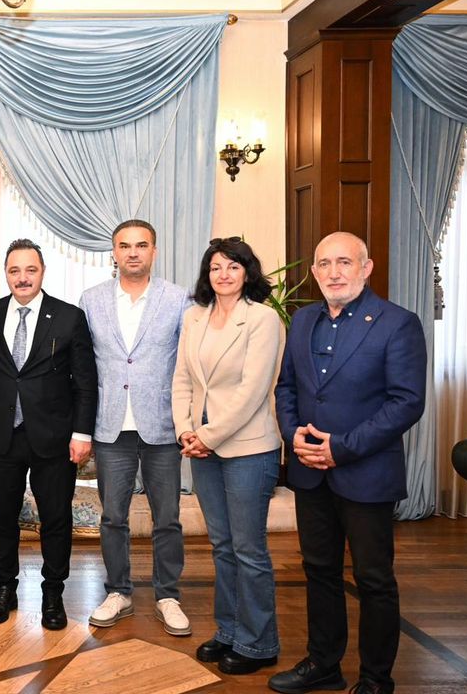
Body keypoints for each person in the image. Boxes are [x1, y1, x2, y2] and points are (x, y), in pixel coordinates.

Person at [267, 232, 426, 694]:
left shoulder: (398, 323)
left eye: (344, 262)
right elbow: (287, 387)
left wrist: (342, 448)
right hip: (309, 472)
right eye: (324, 264)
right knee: (319, 572)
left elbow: (406, 402)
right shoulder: (302, 320)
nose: (333, 272)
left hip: (366, 474)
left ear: (366, 268)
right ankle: (324, 664)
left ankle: (376, 679)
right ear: (314, 272)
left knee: (374, 580)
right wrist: (293, 434)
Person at [0, 239, 97, 631]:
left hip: (54, 437)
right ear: (5, 274)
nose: (22, 278)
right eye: (15, 270)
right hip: (0, 436)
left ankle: (52, 593)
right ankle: (4, 589)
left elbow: (85, 382)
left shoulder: (69, 317)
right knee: (1, 518)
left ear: (42, 272)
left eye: (30, 270)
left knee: (56, 518)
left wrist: (82, 433)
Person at [171, 237, 284, 674]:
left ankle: (259, 644)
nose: (223, 274)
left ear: (247, 273)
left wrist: (207, 436)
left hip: (247, 448)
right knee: (222, 546)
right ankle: (230, 630)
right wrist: (185, 429)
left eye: (233, 267)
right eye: (216, 267)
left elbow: (253, 391)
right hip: (202, 447)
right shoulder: (194, 316)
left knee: (249, 549)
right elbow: (182, 379)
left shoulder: (263, 319)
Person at [78, 219, 192, 636]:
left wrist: (189, 420)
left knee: (167, 518)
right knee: (113, 517)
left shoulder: (178, 299)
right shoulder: (91, 300)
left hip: (162, 425)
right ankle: (118, 592)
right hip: (111, 427)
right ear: (114, 252)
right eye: (124, 245)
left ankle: (168, 595)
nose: (132, 252)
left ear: (154, 252)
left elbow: (188, 363)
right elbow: (83, 366)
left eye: (141, 245)